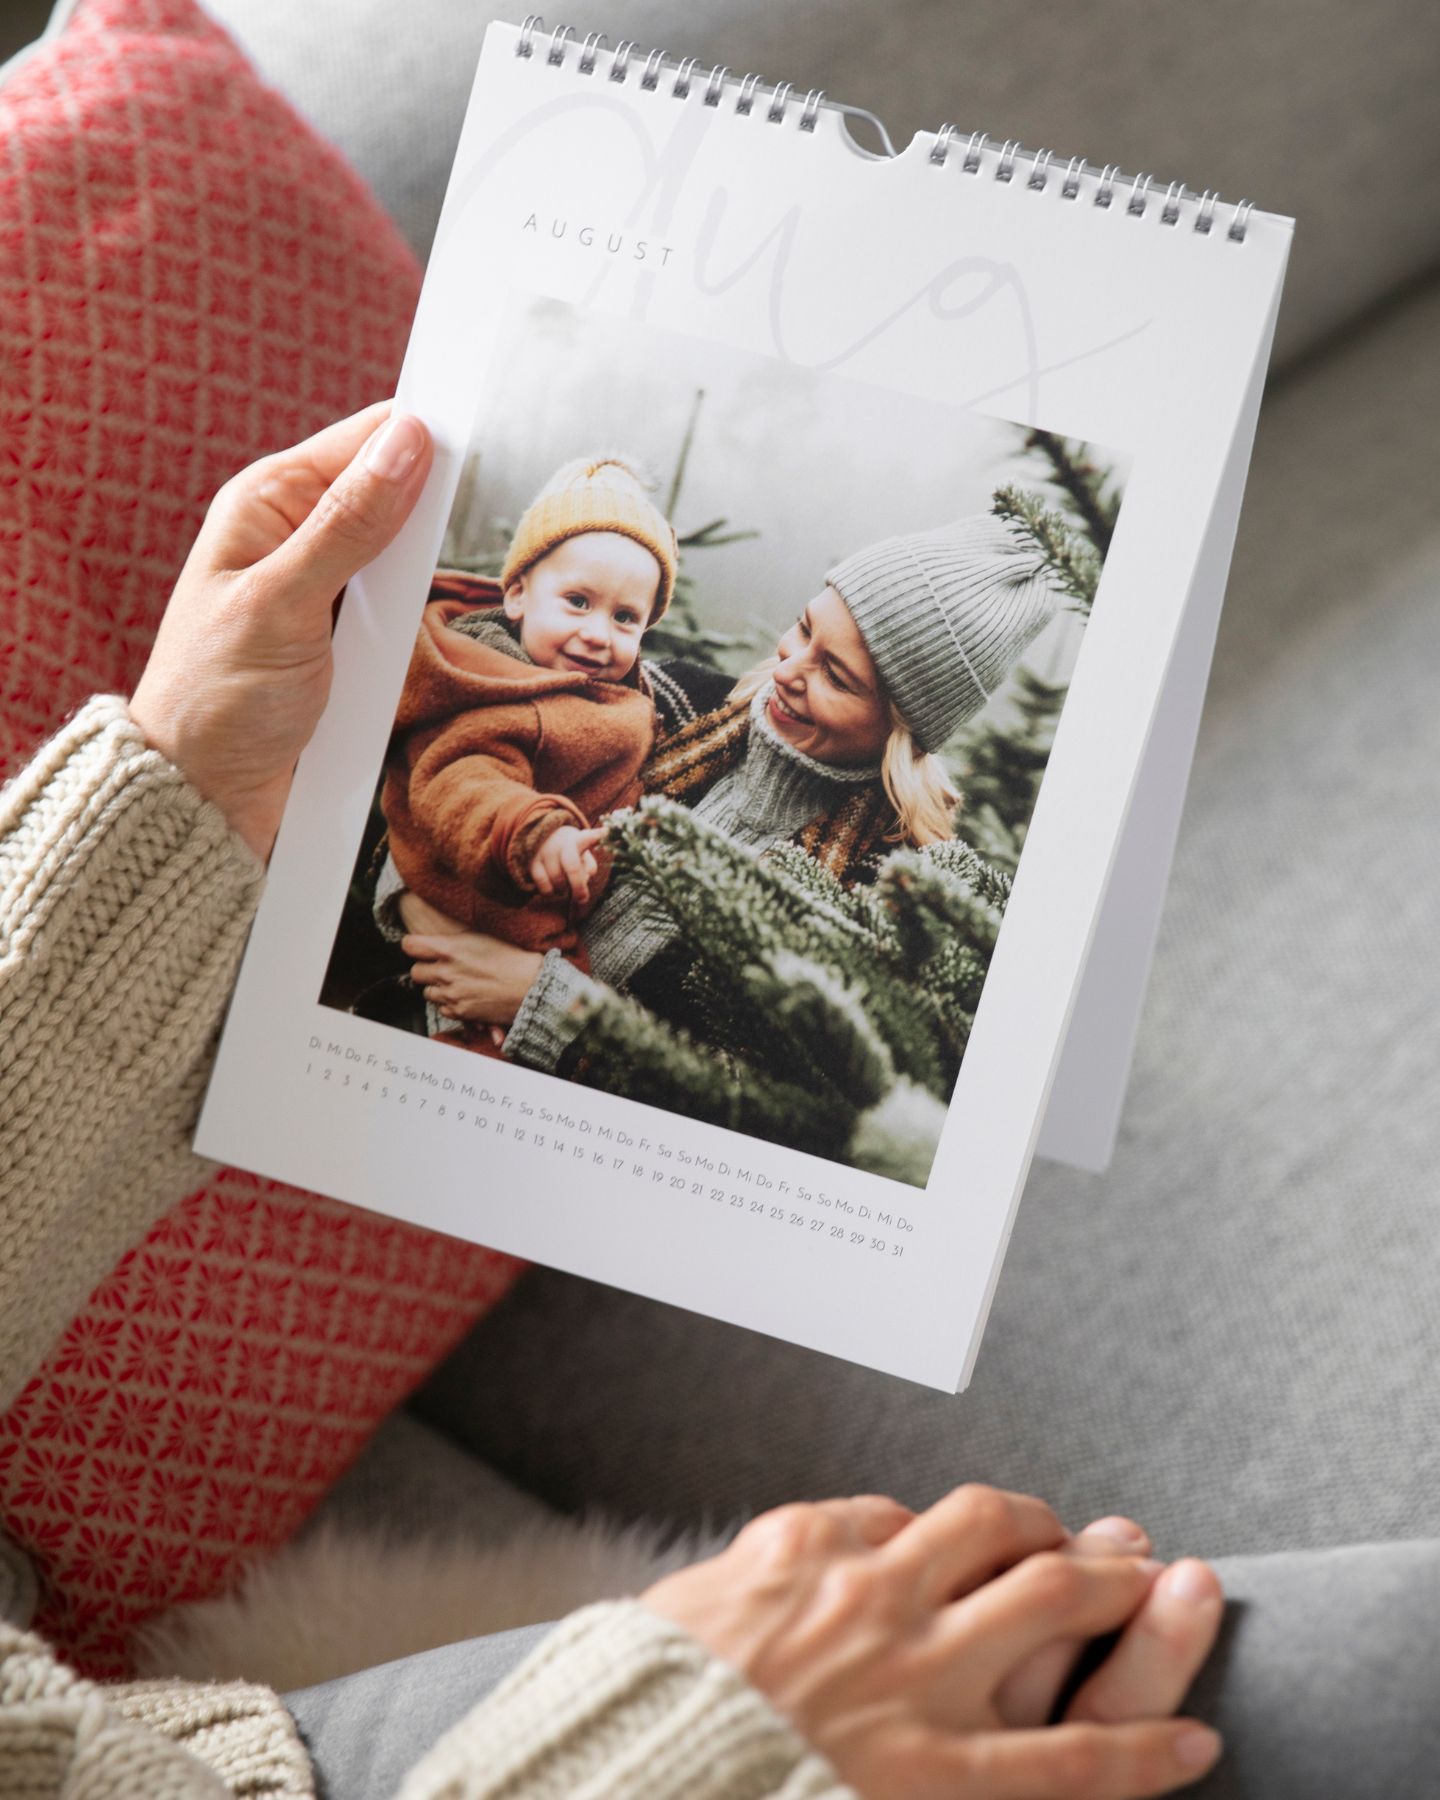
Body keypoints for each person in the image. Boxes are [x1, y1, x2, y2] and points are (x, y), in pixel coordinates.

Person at [394, 516, 1063, 1094]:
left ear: (902, 725)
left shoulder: (883, 893)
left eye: (835, 675)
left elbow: (769, 1106)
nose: (788, 668)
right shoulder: (660, 706)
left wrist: (551, 1009)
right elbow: (452, 761)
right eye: (804, 628)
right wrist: (424, 913)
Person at [382, 459, 676, 1061]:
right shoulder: (504, 688)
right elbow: (461, 777)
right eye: (577, 601)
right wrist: (532, 832)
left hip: (544, 920)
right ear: (516, 594)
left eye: (625, 618)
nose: (599, 633)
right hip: (490, 894)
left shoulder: (618, 696)